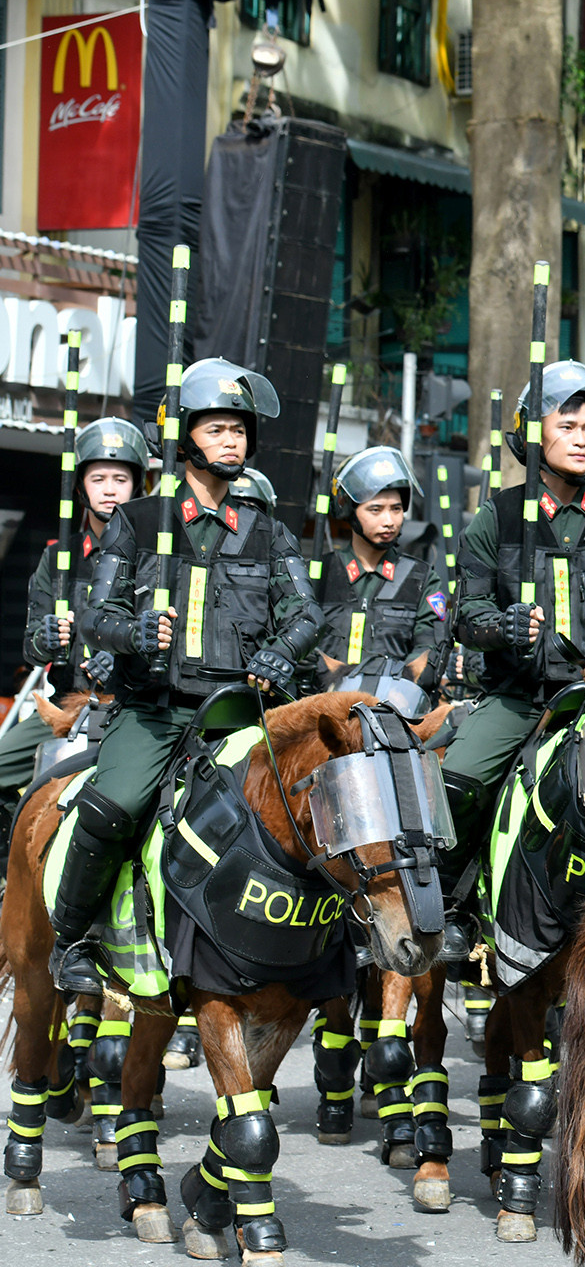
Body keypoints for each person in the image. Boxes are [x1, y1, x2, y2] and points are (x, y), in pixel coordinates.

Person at [54, 360, 323, 992]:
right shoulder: (140, 520)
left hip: (237, 713)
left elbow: (306, 612)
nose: (231, 441)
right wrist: (135, 633)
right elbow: (96, 614)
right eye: (217, 429)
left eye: (239, 430)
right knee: (111, 806)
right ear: (186, 439)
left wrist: (282, 650)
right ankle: (70, 940)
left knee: (306, 810)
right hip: (154, 711)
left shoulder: (270, 533)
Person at [445, 361, 585, 958]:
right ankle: (455, 907)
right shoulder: (498, 516)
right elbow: (467, 614)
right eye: (568, 425)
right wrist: (504, 629)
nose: (583, 437)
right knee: (457, 781)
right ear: (534, 435)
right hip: (521, 699)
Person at [0, 418, 148, 848]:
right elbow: (30, 647)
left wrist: (124, 658)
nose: (109, 488)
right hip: (64, 706)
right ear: (81, 486)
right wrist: (45, 641)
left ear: (136, 486)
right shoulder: (58, 557)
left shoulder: (153, 554)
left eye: (120, 478)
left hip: (128, 704)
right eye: (98, 477)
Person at [314, 446, 449, 697]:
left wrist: (393, 686)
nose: (389, 521)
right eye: (375, 509)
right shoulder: (318, 574)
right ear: (348, 511)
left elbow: (429, 649)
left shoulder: (421, 579)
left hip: (394, 709)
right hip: (322, 707)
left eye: (396, 509)